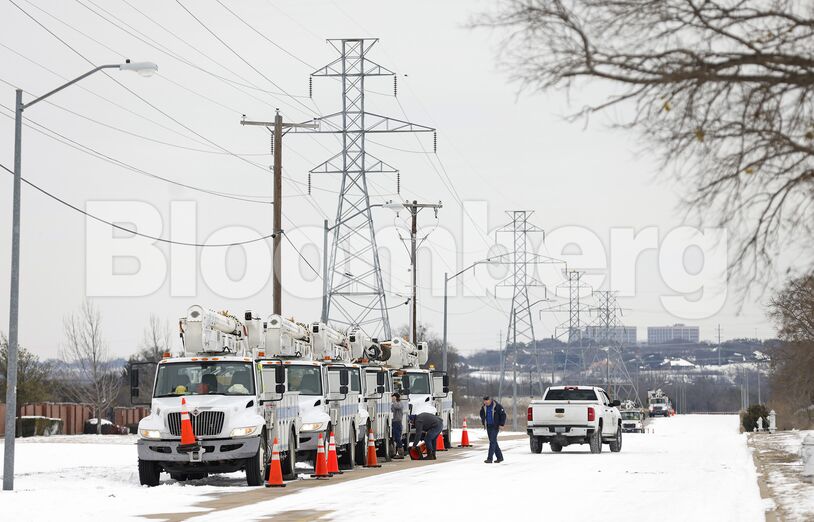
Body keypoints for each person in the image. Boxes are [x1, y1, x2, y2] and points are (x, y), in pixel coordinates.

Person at [479, 396, 506, 463]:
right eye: (484, 401)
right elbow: (482, 414)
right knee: (493, 442)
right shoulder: (484, 407)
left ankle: (489, 458)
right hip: (488, 426)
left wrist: (501, 424)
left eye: (487, 400)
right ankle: (500, 457)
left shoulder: (497, 406)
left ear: (490, 400)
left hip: (495, 426)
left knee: (492, 442)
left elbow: (503, 415)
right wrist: (483, 422)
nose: (485, 402)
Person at [391, 393, 406, 459]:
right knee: (393, 438)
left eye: (393, 397)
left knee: (397, 438)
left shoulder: (399, 403)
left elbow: (397, 407)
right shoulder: (394, 404)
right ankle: (393, 452)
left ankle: (401, 453)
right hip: (394, 422)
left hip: (397, 422)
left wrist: (394, 401)